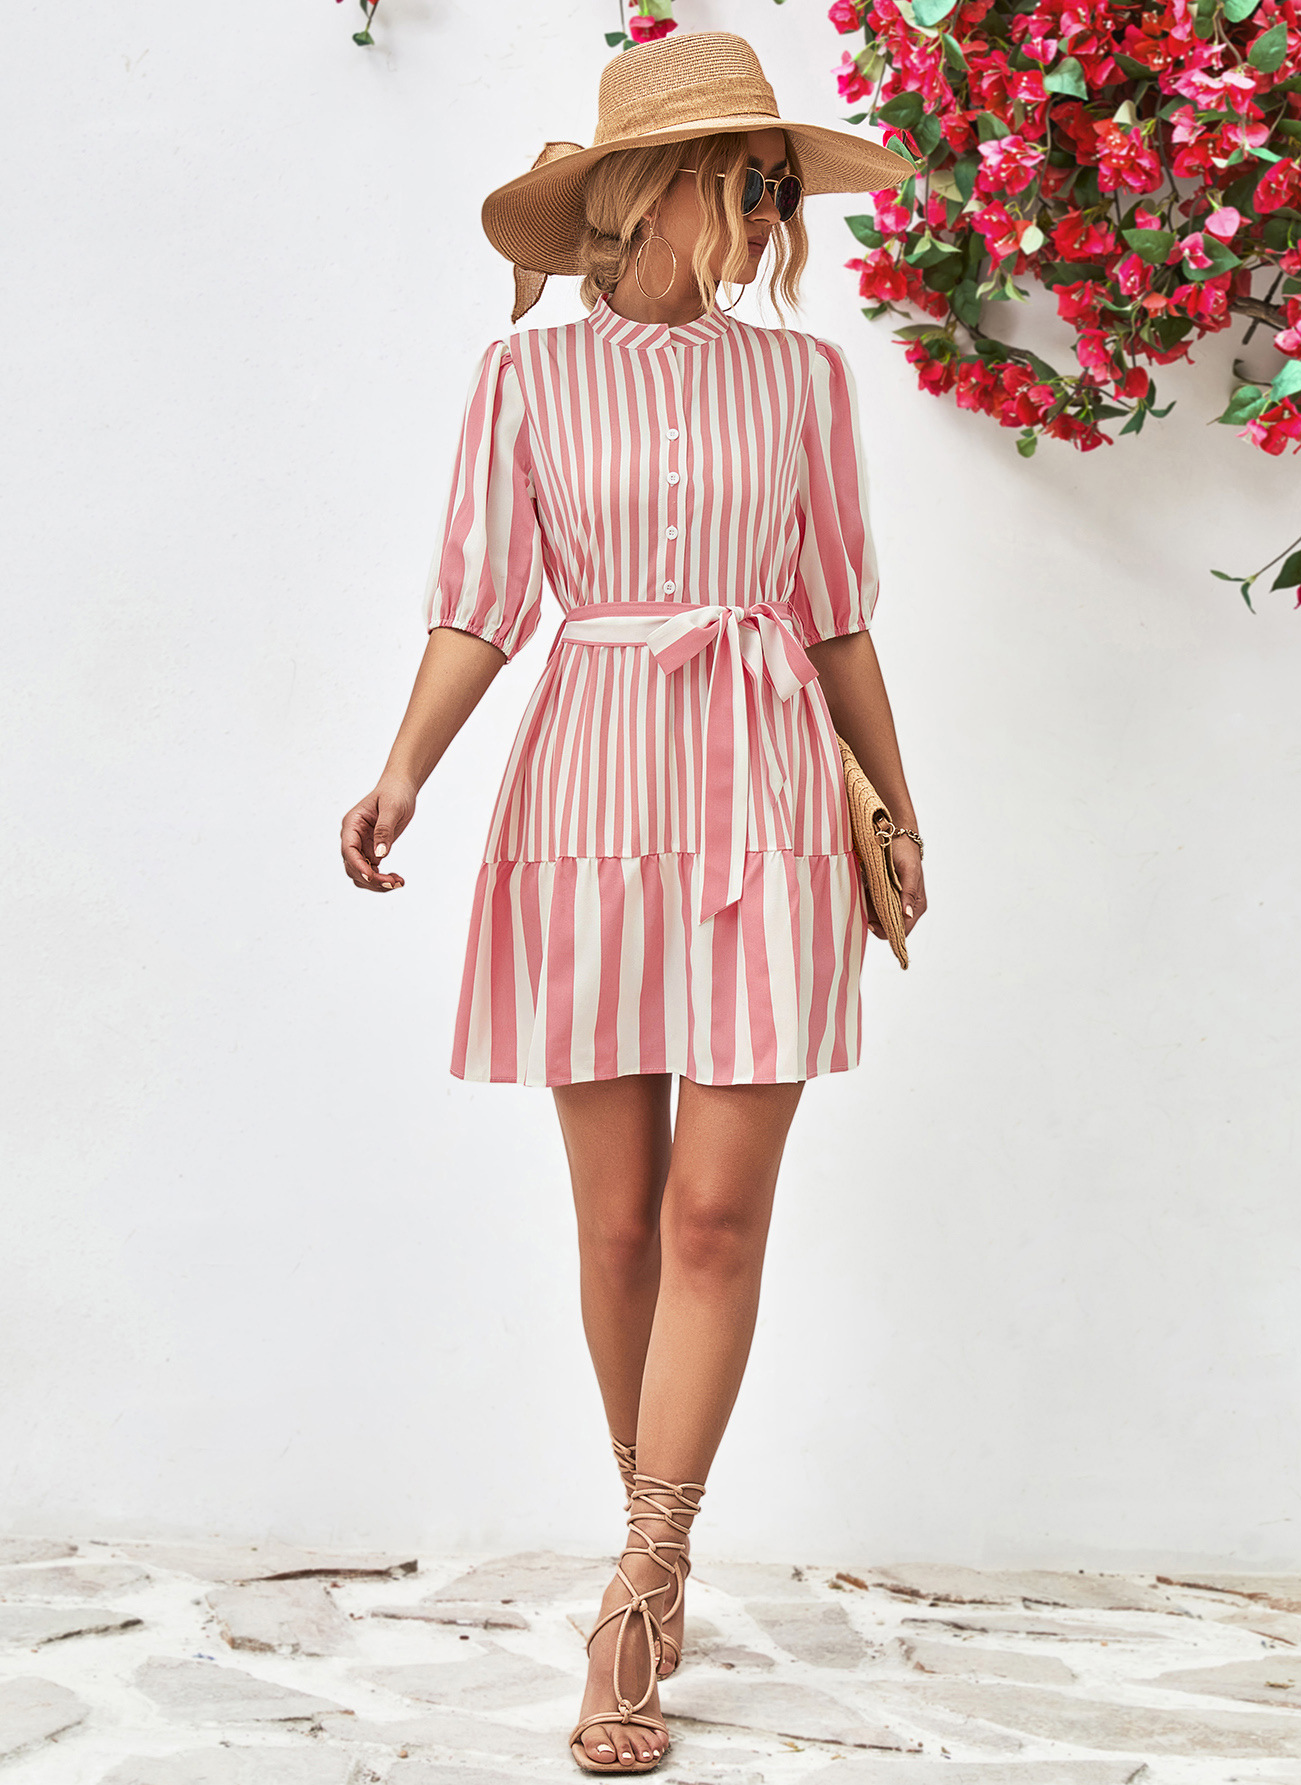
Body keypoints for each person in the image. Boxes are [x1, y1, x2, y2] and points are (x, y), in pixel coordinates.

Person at [340, 29, 927, 1777]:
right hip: (586, 794)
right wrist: (402, 770)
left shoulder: (805, 382)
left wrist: (897, 802)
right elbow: (482, 602)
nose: (772, 210)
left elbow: (835, 614)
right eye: (750, 177)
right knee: (615, 1225)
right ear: (655, 184)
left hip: (767, 797)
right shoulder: (522, 379)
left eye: (782, 183)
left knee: (714, 1218)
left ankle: (639, 1590)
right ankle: (650, 1541)